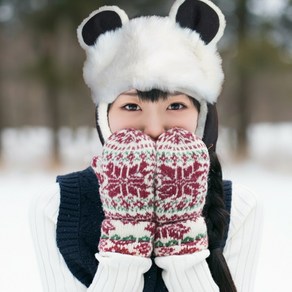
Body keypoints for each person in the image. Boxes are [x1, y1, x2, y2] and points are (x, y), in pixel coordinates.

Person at [30, 0, 263, 291]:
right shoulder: (56, 207)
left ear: (202, 116)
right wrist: (125, 237)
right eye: (131, 106)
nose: (154, 127)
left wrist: (182, 237)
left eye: (176, 105)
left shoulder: (239, 207)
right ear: (105, 117)